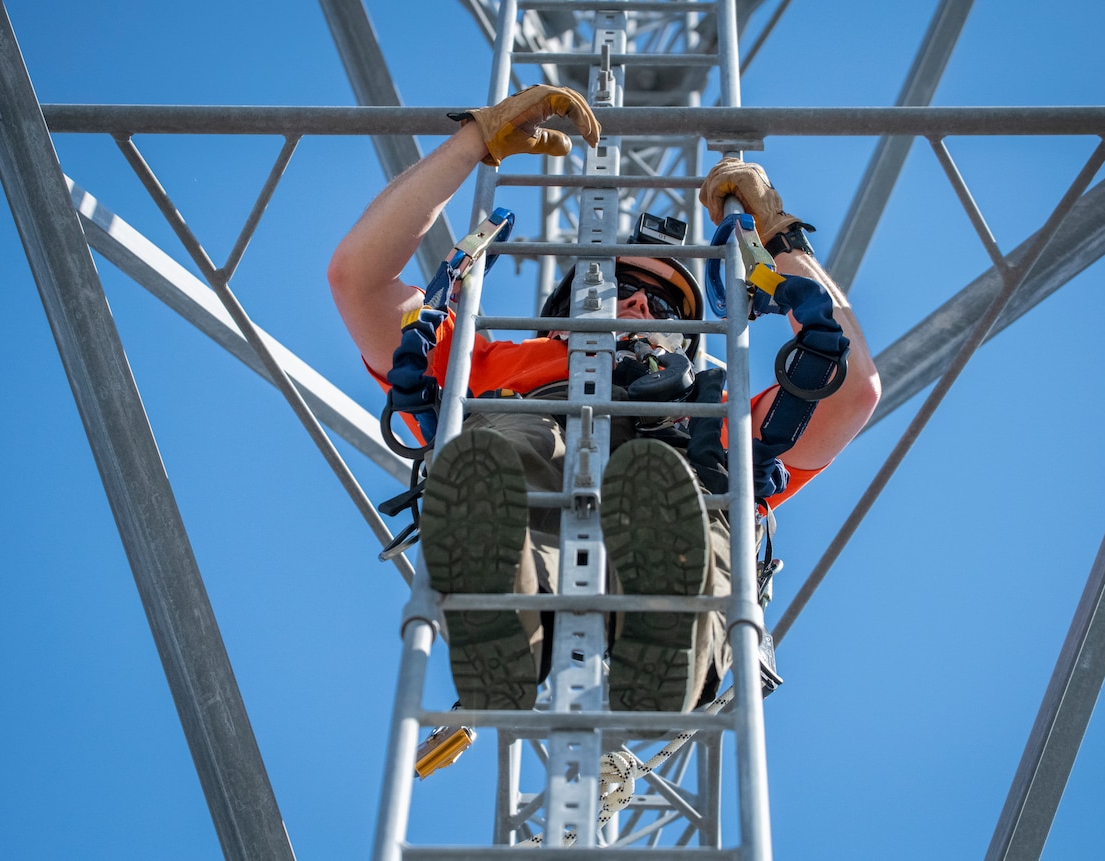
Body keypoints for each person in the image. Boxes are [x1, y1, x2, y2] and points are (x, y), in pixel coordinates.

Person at [327, 86, 880, 713]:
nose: (642, 304)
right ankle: (504, 612)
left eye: (668, 306)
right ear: (563, 313)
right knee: (512, 441)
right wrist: (474, 141)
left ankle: (674, 634)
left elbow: (852, 389)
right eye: (618, 284)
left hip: (680, 479)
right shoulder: (484, 367)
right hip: (525, 467)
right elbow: (359, 279)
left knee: (686, 487)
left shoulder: (712, 405)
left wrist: (781, 241)